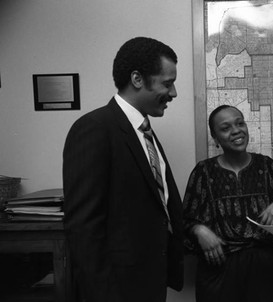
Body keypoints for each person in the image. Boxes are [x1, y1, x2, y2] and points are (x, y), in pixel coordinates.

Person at [63, 37, 184, 302]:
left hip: (150, 283)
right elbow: (84, 229)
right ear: (138, 79)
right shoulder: (95, 128)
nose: (173, 93)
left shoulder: (144, 131)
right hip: (117, 291)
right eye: (167, 83)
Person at [183, 105, 273, 302]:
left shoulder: (267, 166)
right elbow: (184, 221)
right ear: (215, 138)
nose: (236, 130)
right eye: (226, 128)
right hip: (218, 272)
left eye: (240, 123)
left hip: (263, 271)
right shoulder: (203, 172)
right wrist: (199, 230)